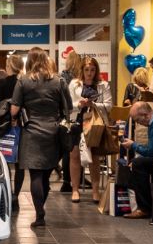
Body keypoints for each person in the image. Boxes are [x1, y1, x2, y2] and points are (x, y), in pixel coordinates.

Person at [11, 47, 73, 228]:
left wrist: (15, 114)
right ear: (46, 60)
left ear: (29, 61)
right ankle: (41, 208)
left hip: (31, 132)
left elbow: (14, 109)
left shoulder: (23, 81)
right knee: (45, 174)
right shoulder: (58, 81)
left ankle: (40, 215)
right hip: (53, 131)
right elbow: (68, 108)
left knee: (36, 175)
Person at [69, 57, 113, 203]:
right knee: (74, 155)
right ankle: (75, 190)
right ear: (82, 70)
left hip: (94, 123)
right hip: (77, 122)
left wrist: (94, 105)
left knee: (94, 157)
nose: (89, 73)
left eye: (92, 70)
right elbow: (69, 105)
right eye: (86, 70)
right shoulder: (74, 84)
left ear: (96, 70)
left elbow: (109, 105)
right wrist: (79, 104)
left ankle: (95, 191)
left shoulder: (103, 85)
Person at [0, 53, 26, 211]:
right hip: (22, 127)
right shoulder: (25, 82)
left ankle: (7, 193)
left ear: (9, 66)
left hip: (5, 128)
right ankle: (16, 195)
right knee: (20, 164)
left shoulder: (3, 83)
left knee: (4, 162)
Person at [121, 101, 153, 219]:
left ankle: (144, 208)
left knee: (138, 164)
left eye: (138, 120)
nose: (140, 124)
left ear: (145, 115)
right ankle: (141, 205)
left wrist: (133, 145)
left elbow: (151, 152)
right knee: (138, 162)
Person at [57, 51, 83, 193]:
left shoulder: (62, 76)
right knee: (72, 149)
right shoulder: (76, 79)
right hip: (73, 116)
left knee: (69, 150)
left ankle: (68, 181)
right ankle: (71, 181)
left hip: (64, 116)